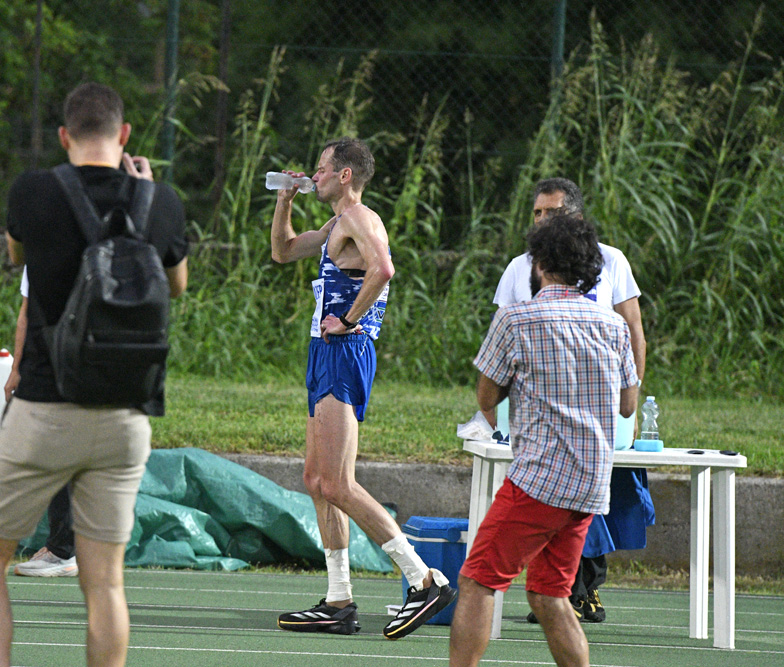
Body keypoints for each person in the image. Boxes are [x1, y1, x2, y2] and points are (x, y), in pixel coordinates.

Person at [0, 82, 189, 667]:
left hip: (46, 408)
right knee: (105, 583)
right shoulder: (160, 202)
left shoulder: (34, 191)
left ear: (64, 136)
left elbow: (17, 257)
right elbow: (178, 284)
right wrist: (141, 196)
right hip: (125, 418)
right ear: (126, 136)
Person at [270, 137, 454, 640]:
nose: (315, 175)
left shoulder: (361, 219)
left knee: (338, 484)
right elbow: (283, 251)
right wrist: (284, 201)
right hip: (325, 352)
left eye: (322, 168)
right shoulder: (335, 224)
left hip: (342, 352)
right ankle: (338, 599)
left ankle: (424, 580)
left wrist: (349, 320)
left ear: (345, 174)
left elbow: (384, 269)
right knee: (316, 478)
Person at [450, 214, 639, 667]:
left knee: (477, 581)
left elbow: (487, 395)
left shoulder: (518, 318)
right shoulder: (613, 326)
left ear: (538, 265)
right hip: (590, 483)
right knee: (550, 595)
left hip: (540, 479)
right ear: (591, 268)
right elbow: (628, 403)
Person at [491, 177, 652, 623]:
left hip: (600, 402)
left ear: (577, 218)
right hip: (540, 411)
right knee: (552, 502)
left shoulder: (611, 261)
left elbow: (633, 329)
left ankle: (581, 587)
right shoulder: (520, 267)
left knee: (596, 493)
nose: (543, 220)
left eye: (553, 213)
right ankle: (552, 591)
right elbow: (499, 346)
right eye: (537, 213)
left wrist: (632, 399)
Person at [3, 267, 78, 578]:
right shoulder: (40, 244)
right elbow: (27, 310)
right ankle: (64, 546)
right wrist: (17, 367)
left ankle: (64, 549)